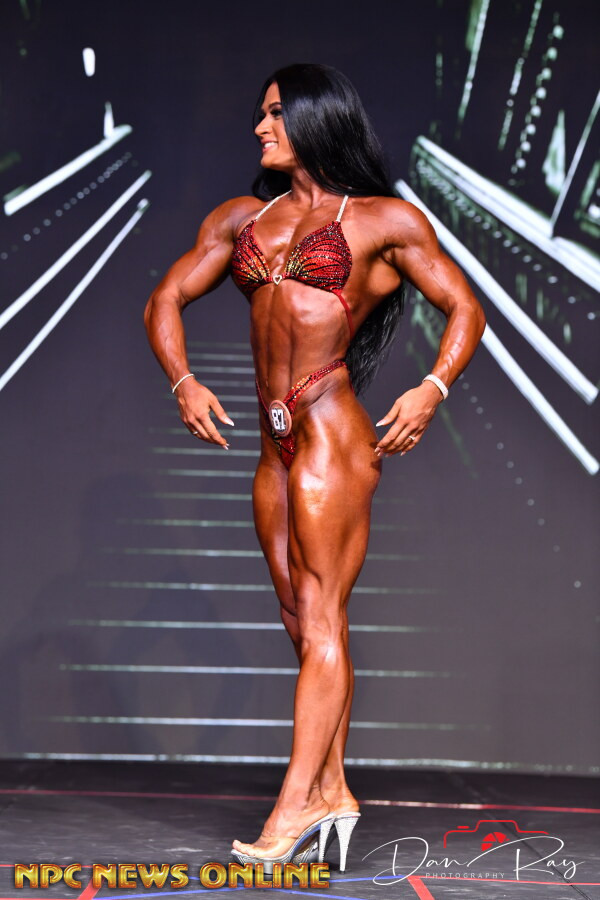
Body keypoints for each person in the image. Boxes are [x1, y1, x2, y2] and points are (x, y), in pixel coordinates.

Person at [143, 63, 486, 871]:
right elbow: (165, 298)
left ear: (314, 119)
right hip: (275, 446)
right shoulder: (242, 218)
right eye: (260, 115)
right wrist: (183, 380)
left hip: (331, 433)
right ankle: (333, 790)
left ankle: (293, 806)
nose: (259, 128)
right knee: (301, 621)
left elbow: (465, 306)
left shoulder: (381, 220)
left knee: (324, 618)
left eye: (274, 114)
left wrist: (432, 389)